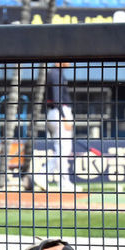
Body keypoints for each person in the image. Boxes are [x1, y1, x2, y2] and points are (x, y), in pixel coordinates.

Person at [44, 62, 77, 192]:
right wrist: (65, 118)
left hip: (55, 113)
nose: (69, 62)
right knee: (63, 149)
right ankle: (62, 182)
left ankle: (42, 175)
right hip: (59, 112)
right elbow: (57, 99)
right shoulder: (55, 74)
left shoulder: (56, 73)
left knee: (62, 150)